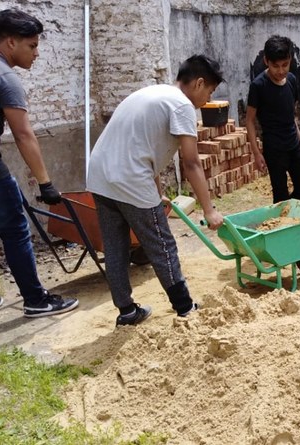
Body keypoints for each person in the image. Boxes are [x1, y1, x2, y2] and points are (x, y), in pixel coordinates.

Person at [86, 55, 225, 327]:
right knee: (162, 244)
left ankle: (126, 311)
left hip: (100, 176)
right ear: (198, 83)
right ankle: (185, 308)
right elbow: (191, 162)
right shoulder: (182, 105)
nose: (207, 99)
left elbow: (145, 147)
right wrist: (209, 210)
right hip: (131, 180)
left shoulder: (153, 93)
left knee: (115, 247)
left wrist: (157, 190)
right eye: (209, 92)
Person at [0, 9, 80, 322]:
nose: (37, 53)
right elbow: (23, 134)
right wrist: (45, 183)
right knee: (16, 230)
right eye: (32, 46)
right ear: (11, 42)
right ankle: (36, 300)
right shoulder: (3, 76)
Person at [246, 35, 300, 204]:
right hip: (274, 150)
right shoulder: (258, 86)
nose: (281, 71)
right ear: (267, 61)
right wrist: (256, 153)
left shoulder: (291, 80)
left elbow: (291, 115)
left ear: (290, 60)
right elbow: (250, 121)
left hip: (293, 145)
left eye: (285, 65)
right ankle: (283, 222)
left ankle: (286, 215)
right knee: (280, 197)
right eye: (276, 66)